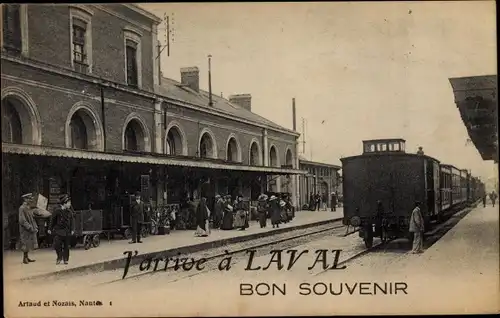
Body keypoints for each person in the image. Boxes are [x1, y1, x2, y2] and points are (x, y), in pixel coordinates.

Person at [48, 194, 74, 265]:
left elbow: (72, 221)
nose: (69, 204)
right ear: (64, 203)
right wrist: (50, 228)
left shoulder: (69, 212)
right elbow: (52, 220)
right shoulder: (57, 211)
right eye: (68, 203)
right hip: (58, 231)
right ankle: (59, 257)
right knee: (57, 245)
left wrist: (72, 229)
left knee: (66, 246)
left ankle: (65, 259)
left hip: (67, 231)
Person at [18, 193, 38, 264]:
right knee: (25, 243)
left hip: (29, 228)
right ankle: (24, 258)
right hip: (25, 229)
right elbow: (22, 220)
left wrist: (35, 226)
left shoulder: (28, 207)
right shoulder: (22, 208)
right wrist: (29, 227)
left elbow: (32, 219)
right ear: (25, 199)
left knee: (28, 243)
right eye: (29, 199)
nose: (30, 200)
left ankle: (27, 257)